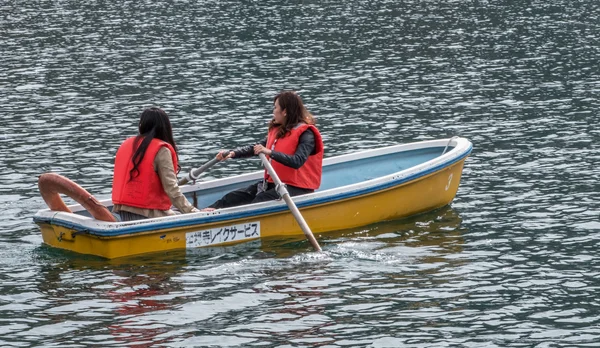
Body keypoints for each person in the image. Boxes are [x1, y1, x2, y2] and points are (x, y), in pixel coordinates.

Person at [207, 91, 324, 209]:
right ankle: (204, 214)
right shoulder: (279, 130)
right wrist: (232, 153)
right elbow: (256, 148)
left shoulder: (307, 134)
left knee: (259, 201)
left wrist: (270, 152)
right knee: (232, 198)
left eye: (275, 107)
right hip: (275, 184)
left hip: (297, 189)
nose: (273, 111)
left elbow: (297, 161)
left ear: (285, 112)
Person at [112, 107, 199, 221]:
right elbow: (171, 188)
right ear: (165, 127)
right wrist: (194, 212)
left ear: (141, 125)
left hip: (121, 211)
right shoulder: (161, 150)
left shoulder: (127, 145)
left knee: (175, 211)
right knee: (183, 213)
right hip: (148, 215)